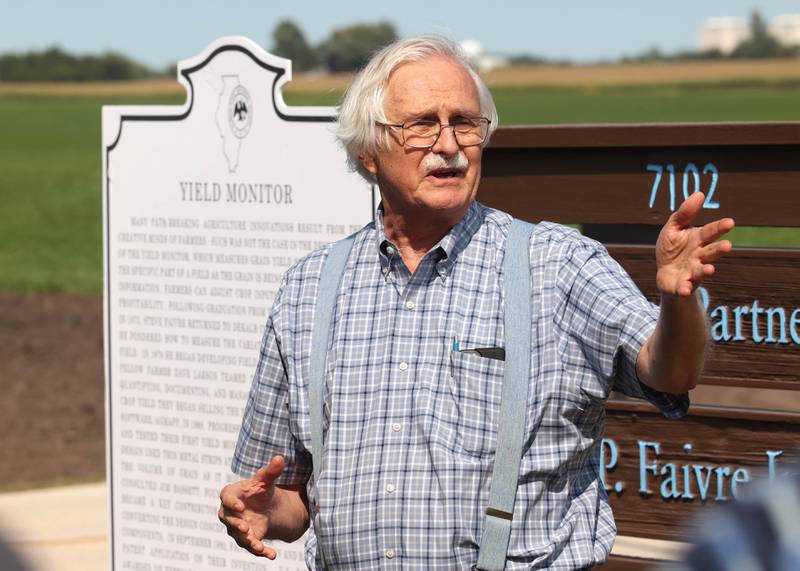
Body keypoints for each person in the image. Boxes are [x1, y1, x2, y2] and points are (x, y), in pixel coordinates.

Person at [218, 36, 735, 570]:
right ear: (368, 151)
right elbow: (294, 499)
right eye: (422, 124)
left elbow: (669, 372)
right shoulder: (308, 289)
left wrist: (678, 302)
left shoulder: (555, 265)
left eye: (465, 123)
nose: (449, 145)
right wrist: (259, 511)